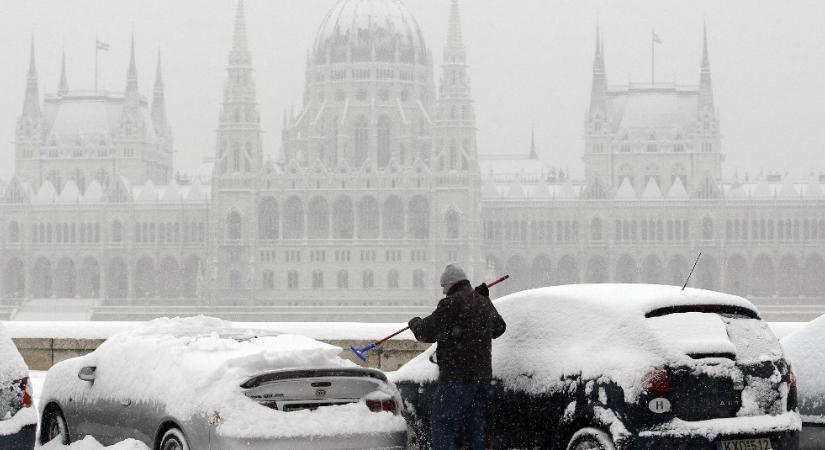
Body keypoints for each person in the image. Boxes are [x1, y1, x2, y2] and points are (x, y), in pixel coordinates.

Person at [408, 264, 507, 450]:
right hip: (482, 379)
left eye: (443, 286)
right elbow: (499, 328)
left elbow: (425, 333)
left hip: (456, 378)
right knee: (474, 430)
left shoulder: (449, 304)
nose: (443, 290)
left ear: (451, 283)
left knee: (444, 426)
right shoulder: (482, 302)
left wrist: (414, 323)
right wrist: (485, 300)